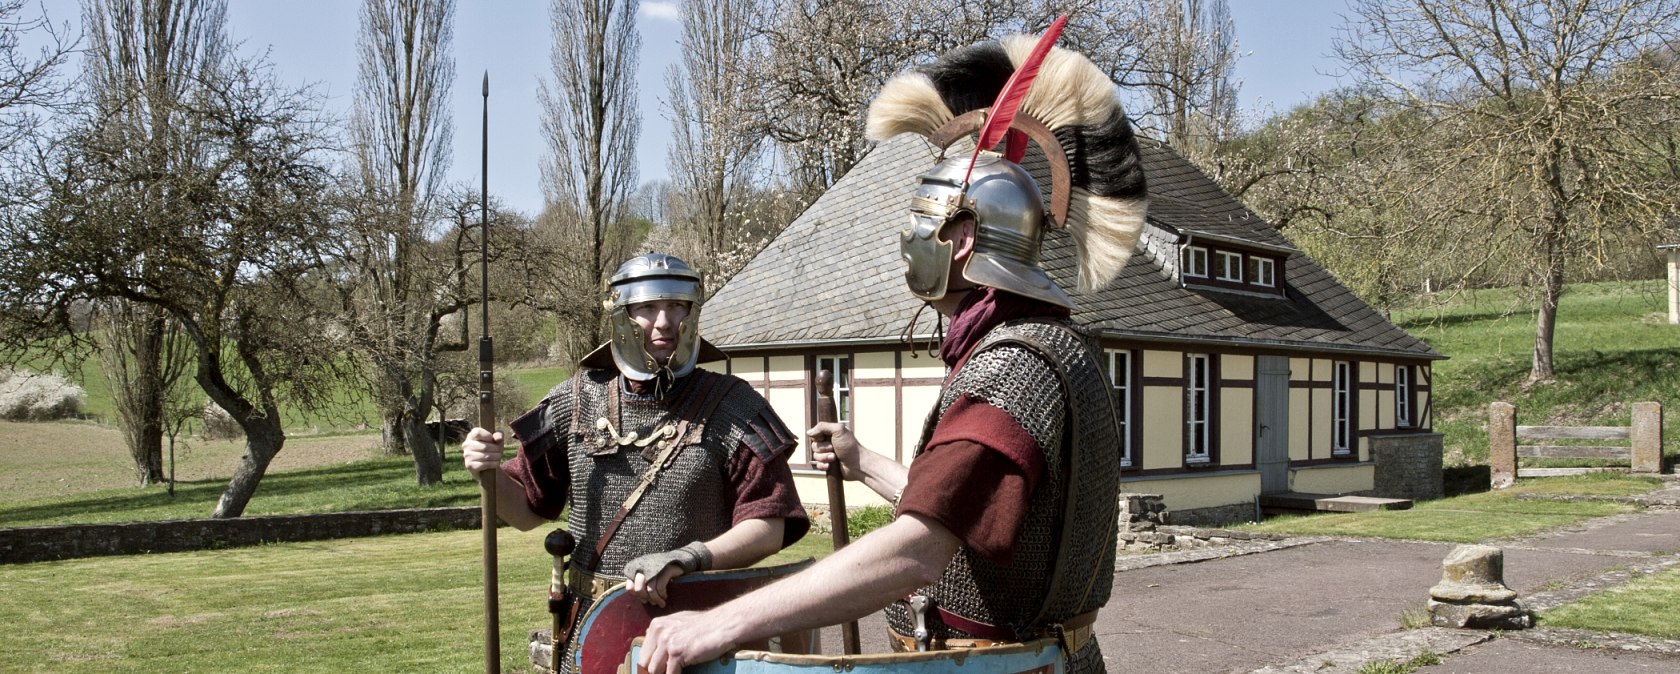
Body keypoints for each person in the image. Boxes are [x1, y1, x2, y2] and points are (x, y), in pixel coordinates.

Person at [636, 32, 1146, 674]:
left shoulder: (1012, 370)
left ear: (962, 239)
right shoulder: (1050, 345)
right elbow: (966, 508)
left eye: (921, 217)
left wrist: (723, 624)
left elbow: (921, 548)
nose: (908, 236)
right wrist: (863, 460)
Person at [462, 252, 809, 674]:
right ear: (622, 315)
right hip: (590, 627)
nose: (664, 321)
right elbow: (524, 513)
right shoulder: (573, 402)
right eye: (647, 307)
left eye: (678, 306)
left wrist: (689, 557)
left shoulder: (733, 406)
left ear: (693, 313)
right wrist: (488, 470)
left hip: (694, 628)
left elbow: (769, 526)